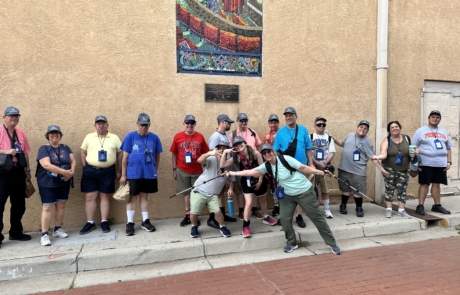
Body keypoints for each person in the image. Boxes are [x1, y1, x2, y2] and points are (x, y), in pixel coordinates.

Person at [225, 144, 341, 254]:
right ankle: (292, 242)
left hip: (304, 192)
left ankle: (332, 243)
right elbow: (250, 172)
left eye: (269, 151)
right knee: (285, 219)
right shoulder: (266, 166)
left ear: (273, 152)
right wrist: (231, 173)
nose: (267, 154)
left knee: (317, 219)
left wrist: (320, 172)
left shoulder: (285, 159)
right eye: (264, 153)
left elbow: (303, 168)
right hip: (288, 195)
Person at [221, 136, 277, 238]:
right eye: (236, 145)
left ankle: (265, 217)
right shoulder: (236, 157)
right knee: (249, 202)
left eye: (240, 143)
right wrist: (225, 152)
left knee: (263, 200)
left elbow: (262, 168)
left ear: (245, 143)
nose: (239, 146)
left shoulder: (256, 153)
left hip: (259, 179)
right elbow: (223, 165)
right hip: (246, 181)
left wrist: (260, 181)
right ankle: (245, 226)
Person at [332, 120, 387, 217]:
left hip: (358, 171)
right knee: (346, 189)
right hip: (344, 168)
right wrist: (333, 138)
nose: (363, 129)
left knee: (358, 191)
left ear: (367, 131)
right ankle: (343, 205)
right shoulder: (349, 135)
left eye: (365, 128)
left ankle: (359, 208)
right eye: (361, 127)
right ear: (357, 127)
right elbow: (342, 144)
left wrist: (382, 170)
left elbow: (372, 157)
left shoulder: (367, 141)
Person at [120, 113, 163, 236]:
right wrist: (123, 175)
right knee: (132, 197)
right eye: (141, 125)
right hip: (133, 173)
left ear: (149, 125)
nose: (143, 127)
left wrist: (155, 169)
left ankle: (145, 221)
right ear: (137, 124)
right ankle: (130, 223)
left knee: (144, 197)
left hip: (148, 173)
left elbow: (157, 155)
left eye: (146, 125)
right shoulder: (130, 137)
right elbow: (124, 158)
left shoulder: (154, 138)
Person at [79, 115, 122, 235]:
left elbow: (120, 154)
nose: (101, 125)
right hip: (90, 171)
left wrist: (119, 171)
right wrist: (85, 167)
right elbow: (82, 152)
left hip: (108, 171)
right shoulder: (89, 137)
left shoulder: (114, 137)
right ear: (95, 126)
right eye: (99, 123)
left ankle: (104, 221)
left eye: (103, 123)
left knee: (105, 197)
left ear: (107, 125)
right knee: (89, 197)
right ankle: (90, 222)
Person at [272, 107, 314, 228]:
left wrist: (311, 164)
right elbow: (275, 150)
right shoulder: (280, 132)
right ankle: (285, 215)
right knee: (284, 193)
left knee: (300, 191)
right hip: (284, 167)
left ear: (296, 116)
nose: (288, 118)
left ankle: (299, 215)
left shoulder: (303, 130)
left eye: (291, 115)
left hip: (300, 166)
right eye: (286, 116)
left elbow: (308, 148)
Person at [36, 125, 76, 246]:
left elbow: (73, 161)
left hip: (63, 181)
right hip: (47, 183)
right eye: (51, 133)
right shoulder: (43, 148)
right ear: (48, 135)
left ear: (60, 135)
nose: (54, 135)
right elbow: (46, 165)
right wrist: (65, 172)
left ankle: (57, 229)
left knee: (61, 205)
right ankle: (44, 235)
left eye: (57, 133)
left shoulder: (65, 147)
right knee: (47, 207)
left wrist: (71, 172)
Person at [0, 106, 32, 246]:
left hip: (18, 171)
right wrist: (7, 151)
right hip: (2, 173)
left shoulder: (21, 133)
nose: (14, 118)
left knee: (19, 204)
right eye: (11, 115)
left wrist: (27, 170)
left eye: (16, 116)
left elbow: (25, 152)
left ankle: (15, 232)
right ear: (4, 117)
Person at [170, 114, 209, 227]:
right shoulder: (177, 136)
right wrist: (174, 169)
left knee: (196, 194)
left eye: (192, 123)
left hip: (197, 170)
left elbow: (206, 152)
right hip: (182, 169)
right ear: (184, 124)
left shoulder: (200, 137)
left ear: (195, 124)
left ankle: (194, 215)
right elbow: (174, 154)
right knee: (186, 193)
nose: (189, 125)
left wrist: (205, 168)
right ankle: (188, 216)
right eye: (187, 123)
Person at [190, 140, 234, 238]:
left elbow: (232, 178)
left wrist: (231, 188)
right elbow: (199, 160)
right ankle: (194, 226)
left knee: (218, 212)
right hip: (199, 190)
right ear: (216, 149)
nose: (222, 150)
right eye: (220, 148)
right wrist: (209, 153)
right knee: (194, 212)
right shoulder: (212, 158)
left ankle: (222, 227)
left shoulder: (230, 163)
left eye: (224, 148)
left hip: (213, 194)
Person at [371, 121, 414, 218]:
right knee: (389, 189)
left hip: (404, 169)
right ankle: (389, 209)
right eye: (392, 127)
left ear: (400, 127)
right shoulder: (386, 140)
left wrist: (414, 153)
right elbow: (384, 154)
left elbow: (414, 149)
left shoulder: (406, 138)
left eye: (396, 126)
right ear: (389, 130)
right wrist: (378, 157)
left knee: (402, 190)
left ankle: (401, 210)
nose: (395, 128)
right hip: (390, 168)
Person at [412, 110, 452, 215]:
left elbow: (448, 148)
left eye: (437, 117)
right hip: (426, 162)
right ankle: (420, 206)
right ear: (429, 118)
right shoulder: (420, 131)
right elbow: (413, 145)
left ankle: (437, 205)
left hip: (440, 163)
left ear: (440, 119)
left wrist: (449, 161)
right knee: (424, 184)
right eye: (433, 116)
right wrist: (416, 157)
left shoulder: (444, 132)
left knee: (436, 184)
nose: (435, 118)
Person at [229, 113, 264, 220]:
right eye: (241, 121)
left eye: (245, 121)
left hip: (252, 162)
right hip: (240, 163)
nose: (243, 123)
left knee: (254, 186)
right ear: (237, 121)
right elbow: (232, 149)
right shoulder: (233, 134)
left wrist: (257, 158)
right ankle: (241, 210)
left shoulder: (252, 132)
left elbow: (258, 146)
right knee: (240, 188)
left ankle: (254, 209)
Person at [206, 114, 237, 228]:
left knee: (220, 193)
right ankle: (211, 218)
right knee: (215, 194)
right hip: (218, 170)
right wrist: (222, 166)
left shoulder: (226, 136)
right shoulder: (215, 137)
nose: (230, 125)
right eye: (229, 122)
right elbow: (214, 155)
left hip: (226, 170)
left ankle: (222, 214)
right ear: (223, 122)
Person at [310, 116, 336, 218]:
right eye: (319, 124)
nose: (321, 126)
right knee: (312, 190)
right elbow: (308, 152)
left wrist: (324, 163)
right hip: (313, 167)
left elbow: (331, 153)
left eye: (323, 125)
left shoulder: (329, 138)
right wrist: (317, 163)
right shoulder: (310, 137)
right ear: (314, 126)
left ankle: (326, 209)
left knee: (325, 190)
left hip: (325, 167)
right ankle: (314, 210)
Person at [264, 114, 280, 216]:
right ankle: (276, 205)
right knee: (273, 185)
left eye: (275, 122)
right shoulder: (266, 135)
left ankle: (283, 205)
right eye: (271, 123)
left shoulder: (283, 133)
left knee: (281, 185)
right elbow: (265, 148)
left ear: (278, 123)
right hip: (271, 163)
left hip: (281, 162)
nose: (273, 124)